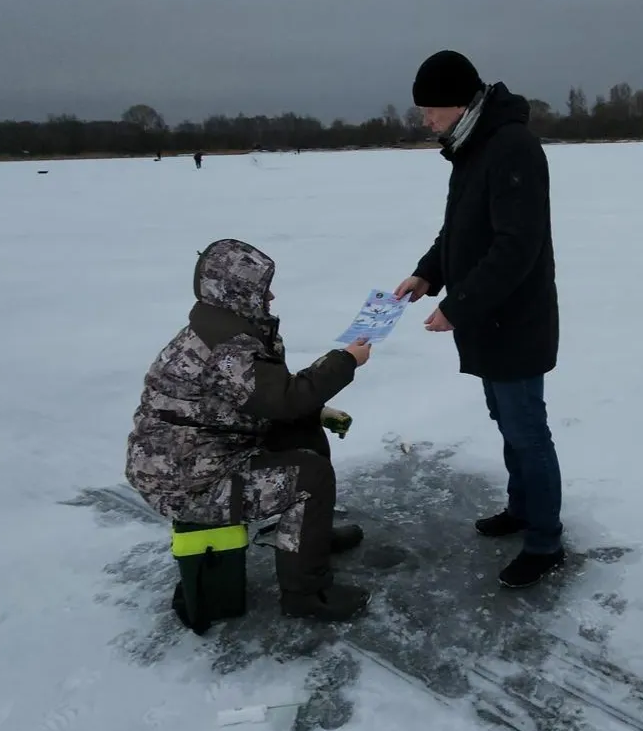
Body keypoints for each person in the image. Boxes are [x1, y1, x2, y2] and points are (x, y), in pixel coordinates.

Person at [125, 238, 375, 622]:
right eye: (261, 287)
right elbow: (284, 400)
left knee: (303, 431)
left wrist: (316, 410)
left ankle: (311, 538)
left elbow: (265, 397)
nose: (271, 295)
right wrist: (344, 361)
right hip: (189, 484)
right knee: (310, 477)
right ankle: (306, 595)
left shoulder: (224, 330)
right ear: (237, 291)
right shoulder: (225, 347)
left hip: (205, 456)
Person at [394, 49, 564, 589]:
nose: (425, 119)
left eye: (430, 109)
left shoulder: (511, 146)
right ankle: (522, 509)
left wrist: (459, 306)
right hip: (488, 319)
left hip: (513, 319)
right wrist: (428, 274)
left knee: (527, 430)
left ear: (460, 102)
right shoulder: (472, 146)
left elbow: (516, 245)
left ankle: (545, 541)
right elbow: (461, 229)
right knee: (508, 422)